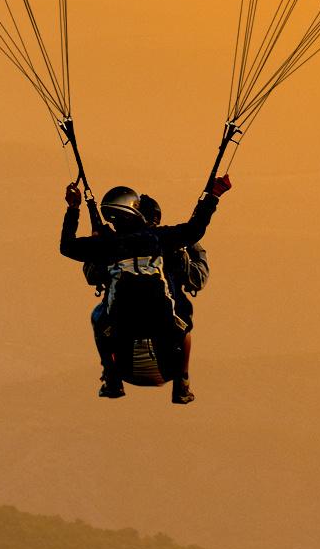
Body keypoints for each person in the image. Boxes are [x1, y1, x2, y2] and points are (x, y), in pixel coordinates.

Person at [60, 168, 229, 403]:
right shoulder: (160, 239)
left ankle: (112, 379)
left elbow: (67, 247)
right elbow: (194, 229)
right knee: (184, 318)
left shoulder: (107, 245)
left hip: (122, 324)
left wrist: (73, 208)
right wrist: (212, 196)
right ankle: (182, 383)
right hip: (164, 324)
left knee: (97, 316)